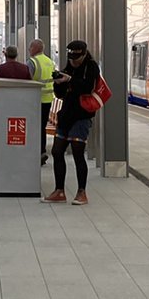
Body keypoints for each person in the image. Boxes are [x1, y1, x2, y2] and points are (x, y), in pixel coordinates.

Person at [44, 40, 100, 206]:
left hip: (82, 116)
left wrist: (70, 79)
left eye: (77, 58)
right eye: (71, 58)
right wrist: (58, 83)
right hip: (66, 115)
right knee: (57, 151)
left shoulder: (91, 66)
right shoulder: (68, 67)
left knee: (77, 151)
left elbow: (87, 87)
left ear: (84, 54)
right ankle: (59, 190)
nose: (73, 61)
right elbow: (61, 95)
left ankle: (82, 192)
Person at [28, 39, 56, 166]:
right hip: (48, 99)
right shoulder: (50, 61)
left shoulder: (32, 62)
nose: (29, 50)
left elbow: (27, 80)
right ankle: (42, 151)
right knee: (42, 127)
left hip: (35, 99)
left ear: (35, 48)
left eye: (30, 47)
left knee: (34, 127)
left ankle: (35, 152)